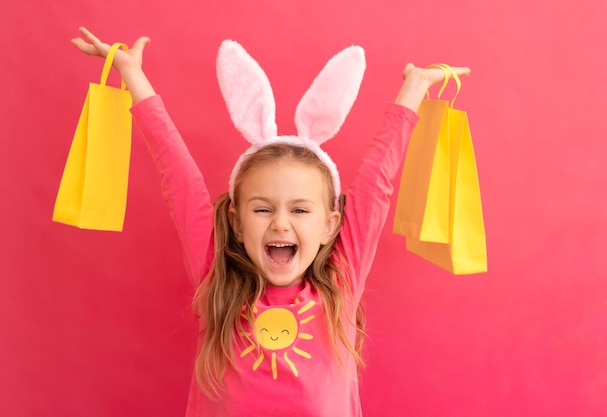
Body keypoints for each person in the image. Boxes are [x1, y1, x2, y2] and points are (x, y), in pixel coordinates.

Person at [71, 26, 470, 417]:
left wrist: (414, 88)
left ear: (330, 225)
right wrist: (132, 74)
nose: (280, 223)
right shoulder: (217, 275)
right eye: (263, 209)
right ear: (238, 222)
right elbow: (178, 178)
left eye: (299, 210)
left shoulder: (342, 279)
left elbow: (376, 185)